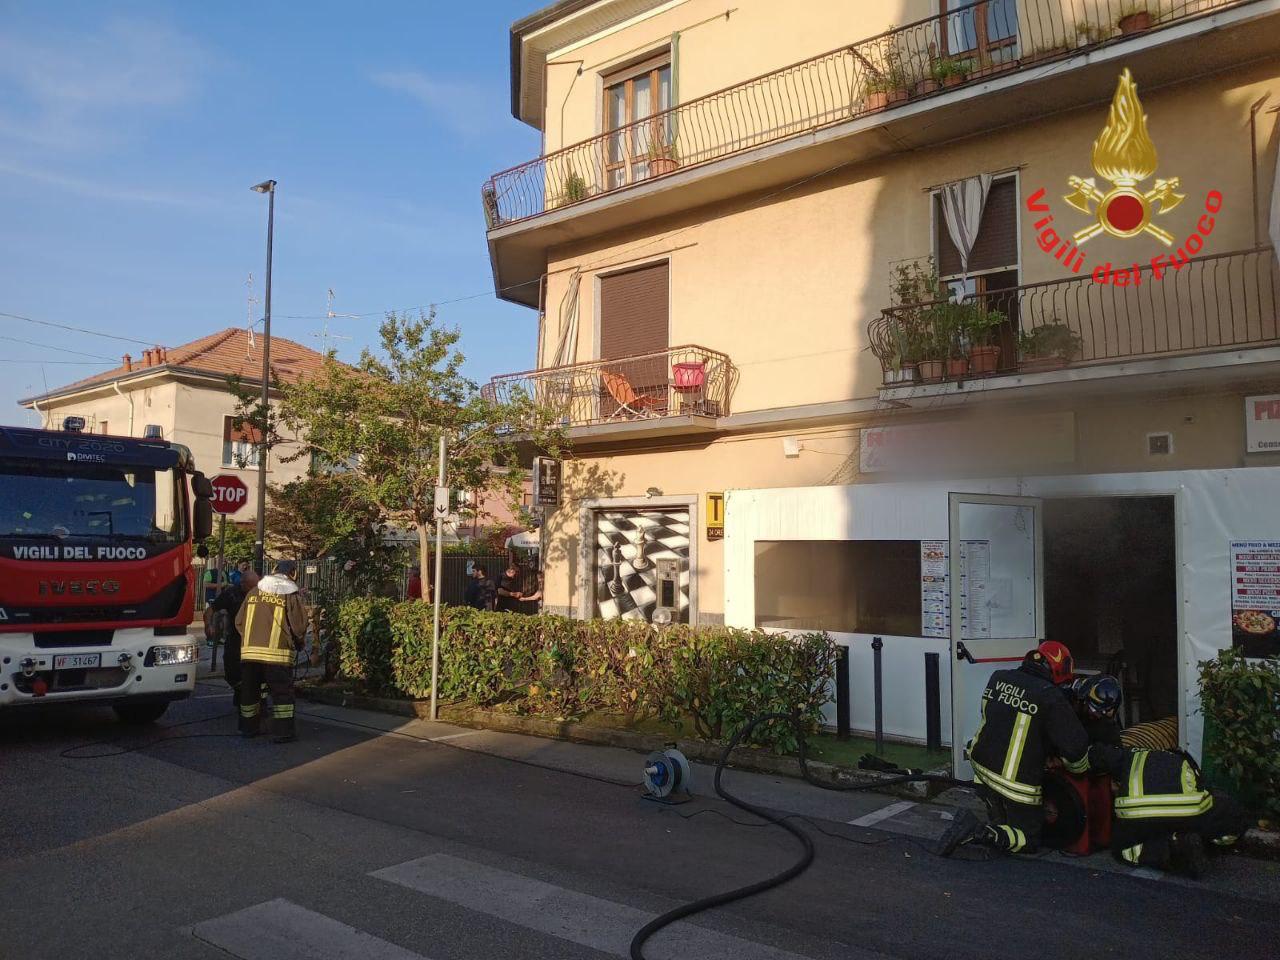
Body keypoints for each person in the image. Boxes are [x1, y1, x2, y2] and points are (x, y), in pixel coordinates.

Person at [939, 641, 1091, 857]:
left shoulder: (998, 678)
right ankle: (977, 832)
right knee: (1027, 840)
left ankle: (998, 823)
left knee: (1006, 825)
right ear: (1059, 668)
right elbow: (1076, 748)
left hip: (981, 773)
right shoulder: (1049, 696)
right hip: (1016, 788)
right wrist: (1077, 769)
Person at [1088, 743, 1252, 877]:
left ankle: (1170, 848)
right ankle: (1189, 841)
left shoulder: (1129, 754)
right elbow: (1205, 787)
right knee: (1230, 817)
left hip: (1135, 811)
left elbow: (1098, 755)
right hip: (1188, 809)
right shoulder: (1183, 761)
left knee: (1122, 850)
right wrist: (1212, 845)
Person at [235, 559, 309, 743]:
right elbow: (299, 626)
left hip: (249, 654)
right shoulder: (289, 594)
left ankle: (248, 728)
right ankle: (283, 732)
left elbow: (239, 621)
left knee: (250, 693)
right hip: (277, 656)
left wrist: (249, 641)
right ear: (293, 574)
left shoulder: (253, 592)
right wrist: (299, 642)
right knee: (282, 694)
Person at [203, 567, 259, 710]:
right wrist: (208, 625)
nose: (254, 590)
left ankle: (248, 699)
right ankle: (240, 691)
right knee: (231, 671)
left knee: (252, 673)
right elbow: (211, 610)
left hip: (254, 639)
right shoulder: (231, 594)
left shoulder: (261, 594)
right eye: (251, 587)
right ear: (243, 584)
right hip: (235, 638)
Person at [1068, 674, 1124, 746]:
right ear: (1083, 700)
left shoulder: (1108, 732)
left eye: (1102, 713)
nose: (1097, 715)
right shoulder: (1065, 707)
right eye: (1094, 709)